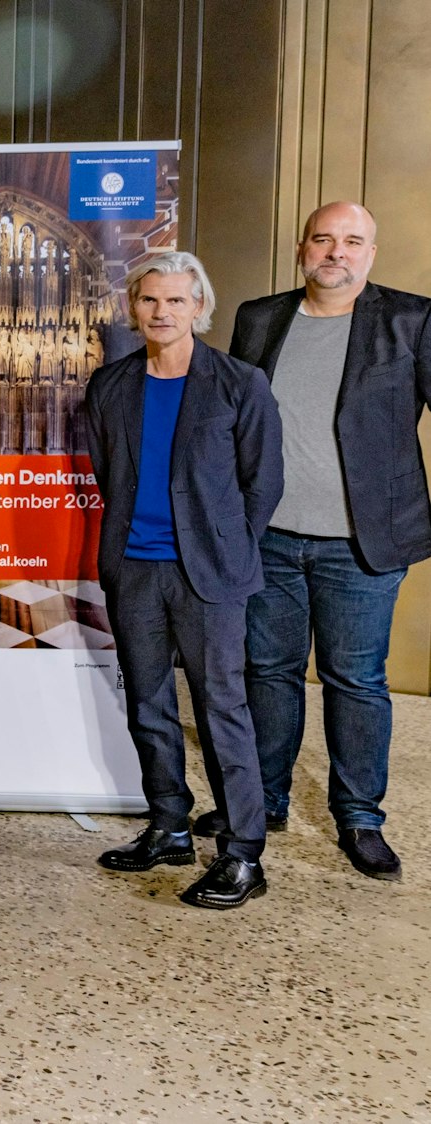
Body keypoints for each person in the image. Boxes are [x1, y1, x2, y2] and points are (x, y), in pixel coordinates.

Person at [223, 202, 431, 881]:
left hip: (362, 545)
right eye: (323, 240)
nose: (334, 252)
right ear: (302, 249)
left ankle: (360, 819)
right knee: (269, 674)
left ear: (370, 253)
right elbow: (233, 419)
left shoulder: (412, 320)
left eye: (351, 241)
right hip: (270, 540)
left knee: (357, 681)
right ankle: (267, 803)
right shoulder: (260, 317)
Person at [80, 251, 283, 910]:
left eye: (175, 301)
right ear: (133, 308)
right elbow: (112, 473)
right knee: (149, 706)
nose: (161, 312)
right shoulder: (109, 386)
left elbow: (263, 484)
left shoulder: (239, 383)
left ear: (199, 307)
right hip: (134, 570)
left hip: (211, 577)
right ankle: (168, 826)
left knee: (223, 710)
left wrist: (226, 547)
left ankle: (243, 853)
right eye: (149, 300)